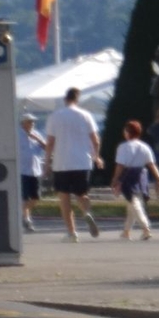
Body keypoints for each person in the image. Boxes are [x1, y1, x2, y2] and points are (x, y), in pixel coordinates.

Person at [43, 86, 103, 240]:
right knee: (82, 193)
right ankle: (86, 212)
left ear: (65, 99)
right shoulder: (86, 115)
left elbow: (50, 142)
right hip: (82, 161)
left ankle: (72, 232)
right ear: (77, 99)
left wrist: (46, 163)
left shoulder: (55, 116)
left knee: (64, 198)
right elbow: (95, 140)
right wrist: (96, 156)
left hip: (62, 163)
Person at [111, 120, 159, 240]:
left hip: (128, 175)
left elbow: (120, 165)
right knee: (133, 203)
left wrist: (115, 179)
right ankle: (126, 232)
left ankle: (146, 228)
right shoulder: (144, 146)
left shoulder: (123, 147)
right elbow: (151, 164)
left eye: (125, 130)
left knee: (134, 203)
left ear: (127, 132)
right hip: (141, 175)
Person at [17, 114, 48, 230]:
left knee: (35, 197)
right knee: (25, 197)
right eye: (30, 122)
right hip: (22, 170)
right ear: (23, 123)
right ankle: (27, 219)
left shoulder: (37, 133)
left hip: (35, 170)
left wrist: (37, 139)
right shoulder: (17, 135)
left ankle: (23, 213)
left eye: (33, 122)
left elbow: (46, 147)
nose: (32, 124)